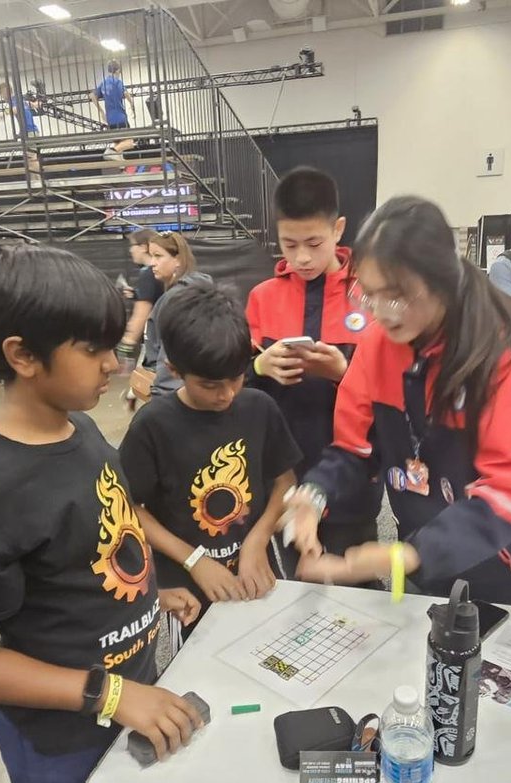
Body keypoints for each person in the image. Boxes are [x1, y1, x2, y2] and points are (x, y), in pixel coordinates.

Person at [0, 245, 205, 783]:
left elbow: (96, 544)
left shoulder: (82, 427)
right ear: (22, 355)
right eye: (92, 349)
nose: (113, 365)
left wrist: (152, 591)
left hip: (130, 700)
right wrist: (110, 693)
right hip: (62, 742)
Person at [279, 196, 511, 608]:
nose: (380, 313)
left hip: (505, 569)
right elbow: (354, 448)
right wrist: (314, 494)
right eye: (369, 295)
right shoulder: (378, 345)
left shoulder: (501, 353)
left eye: (395, 296)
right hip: (423, 561)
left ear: (440, 282)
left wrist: (408, 556)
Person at [121, 282, 299, 615]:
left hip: (255, 570)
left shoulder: (260, 408)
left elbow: (285, 481)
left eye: (236, 378)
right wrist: (194, 560)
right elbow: (130, 507)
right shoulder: (153, 425)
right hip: (186, 584)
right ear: (174, 370)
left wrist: (258, 539)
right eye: (209, 385)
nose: (227, 394)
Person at [245, 167, 380, 573]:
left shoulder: (368, 295)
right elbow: (235, 385)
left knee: (354, 585)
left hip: (352, 473)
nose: (301, 257)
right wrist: (259, 365)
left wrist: (344, 373)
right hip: (283, 472)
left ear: (338, 229)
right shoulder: (262, 298)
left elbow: (392, 387)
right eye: (289, 244)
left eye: (314, 243)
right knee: (295, 579)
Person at [141, 231, 212, 398]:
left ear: (178, 259)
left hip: (176, 392)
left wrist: (162, 396)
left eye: (158, 256)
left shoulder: (177, 298)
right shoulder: (198, 292)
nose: (152, 263)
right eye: (151, 256)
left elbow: (172, 352)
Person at [115, 228, 161, 372]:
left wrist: (127, 342)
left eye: (133, 245)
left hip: (156, 342)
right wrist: (136, 294)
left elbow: (141, 314)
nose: (131, 250)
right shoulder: (160, 271)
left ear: (143, 247)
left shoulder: (148, 273)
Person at [92, 61, 134, 130]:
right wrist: (132, 104)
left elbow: (92, 96)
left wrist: (101, 111)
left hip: (110, 120)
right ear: (117, 70)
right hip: (121, 118)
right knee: (127, 136)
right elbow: (126, 93)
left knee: (115, 136)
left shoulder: (103, 83)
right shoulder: (118, 82)